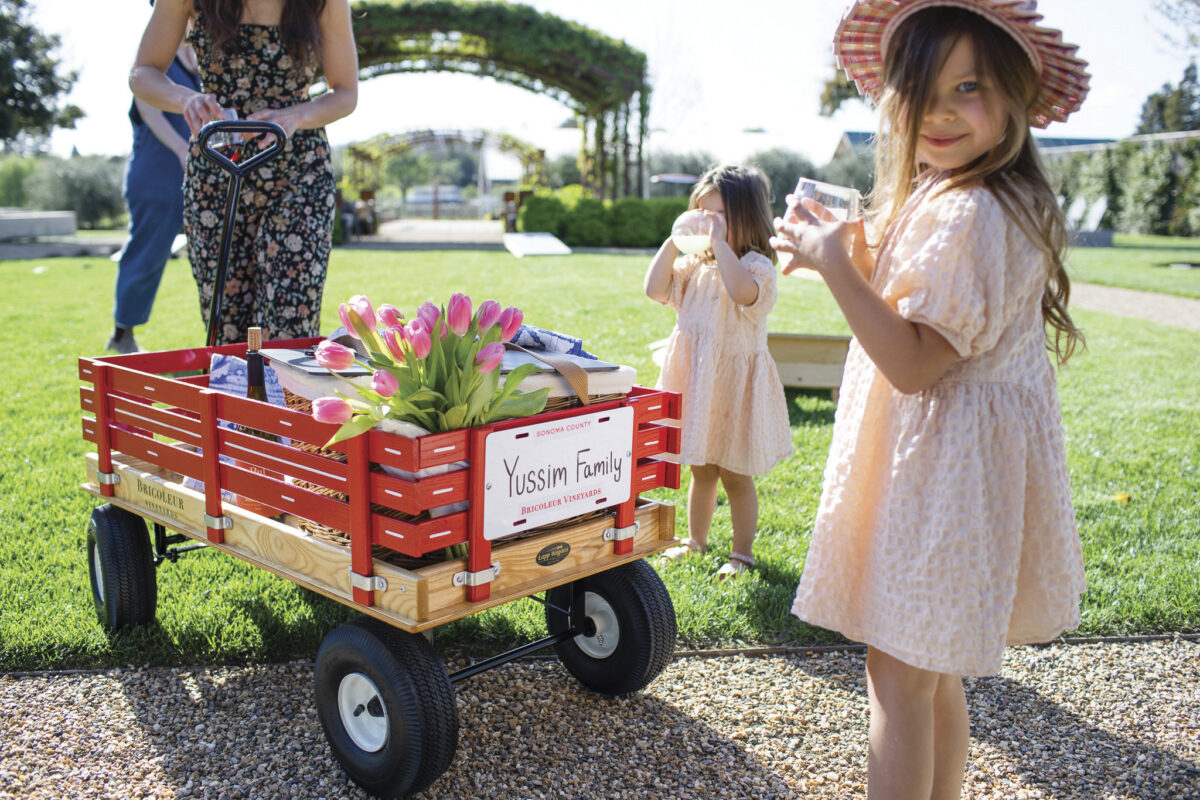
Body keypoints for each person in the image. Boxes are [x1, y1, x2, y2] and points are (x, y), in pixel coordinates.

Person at [771, 1, 1090, 796]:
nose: (943, 111)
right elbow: (922, 299)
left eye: (971, 88)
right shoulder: (957, 194)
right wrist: (843, 253)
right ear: (894, 101)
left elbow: (915, 364)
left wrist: (837, 269)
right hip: (950, 469)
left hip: (942, 474)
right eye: (925, 90)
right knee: (929, 667)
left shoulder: (971, 210)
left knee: (897, 678)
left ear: (1015, 100)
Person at [129, 0, 358, 345]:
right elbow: (143, 72)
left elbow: (345, 92)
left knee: (290, 327)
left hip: (298, 174)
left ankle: (284, 401)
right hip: (216, 171)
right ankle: (234, 399)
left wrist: (297, 116)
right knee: (226, 330)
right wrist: (185, 99)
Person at [645, 165, 793, 579]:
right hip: (699, 385)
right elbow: (655, 290)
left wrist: (720, 244)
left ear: (747, 216)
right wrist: (674, 243)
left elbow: (743, 293)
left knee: (735, 473)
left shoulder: (755, 266)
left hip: (734, 389)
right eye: (700, 214)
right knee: (702, 468)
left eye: (717, 217)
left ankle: (741, 554)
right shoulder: (694, 267)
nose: (706, 225)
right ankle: (696, 540)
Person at [107, 37, 201, 355]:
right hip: (157, 171)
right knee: (147, 251)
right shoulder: (156, 56)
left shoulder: (198, 61)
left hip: (193, 172)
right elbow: (148, 109)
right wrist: (180, 149)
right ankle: (123, 334)